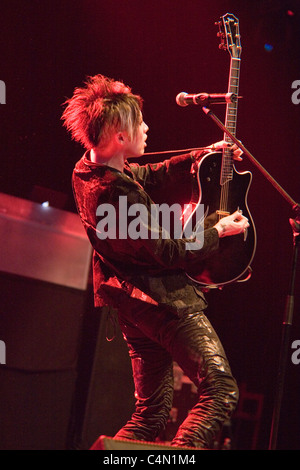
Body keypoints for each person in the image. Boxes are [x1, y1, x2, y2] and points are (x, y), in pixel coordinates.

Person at [61, 74, 249, 449]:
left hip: (133, 305)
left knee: (150, 413)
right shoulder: (113, 194)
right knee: (221, 388)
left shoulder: (90, 169)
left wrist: (202, 155)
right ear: (120, 136)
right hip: (163, 303)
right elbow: (171, 252)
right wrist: (219, 231)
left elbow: (149, 173)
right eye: (139, 124)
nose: (146, 128)